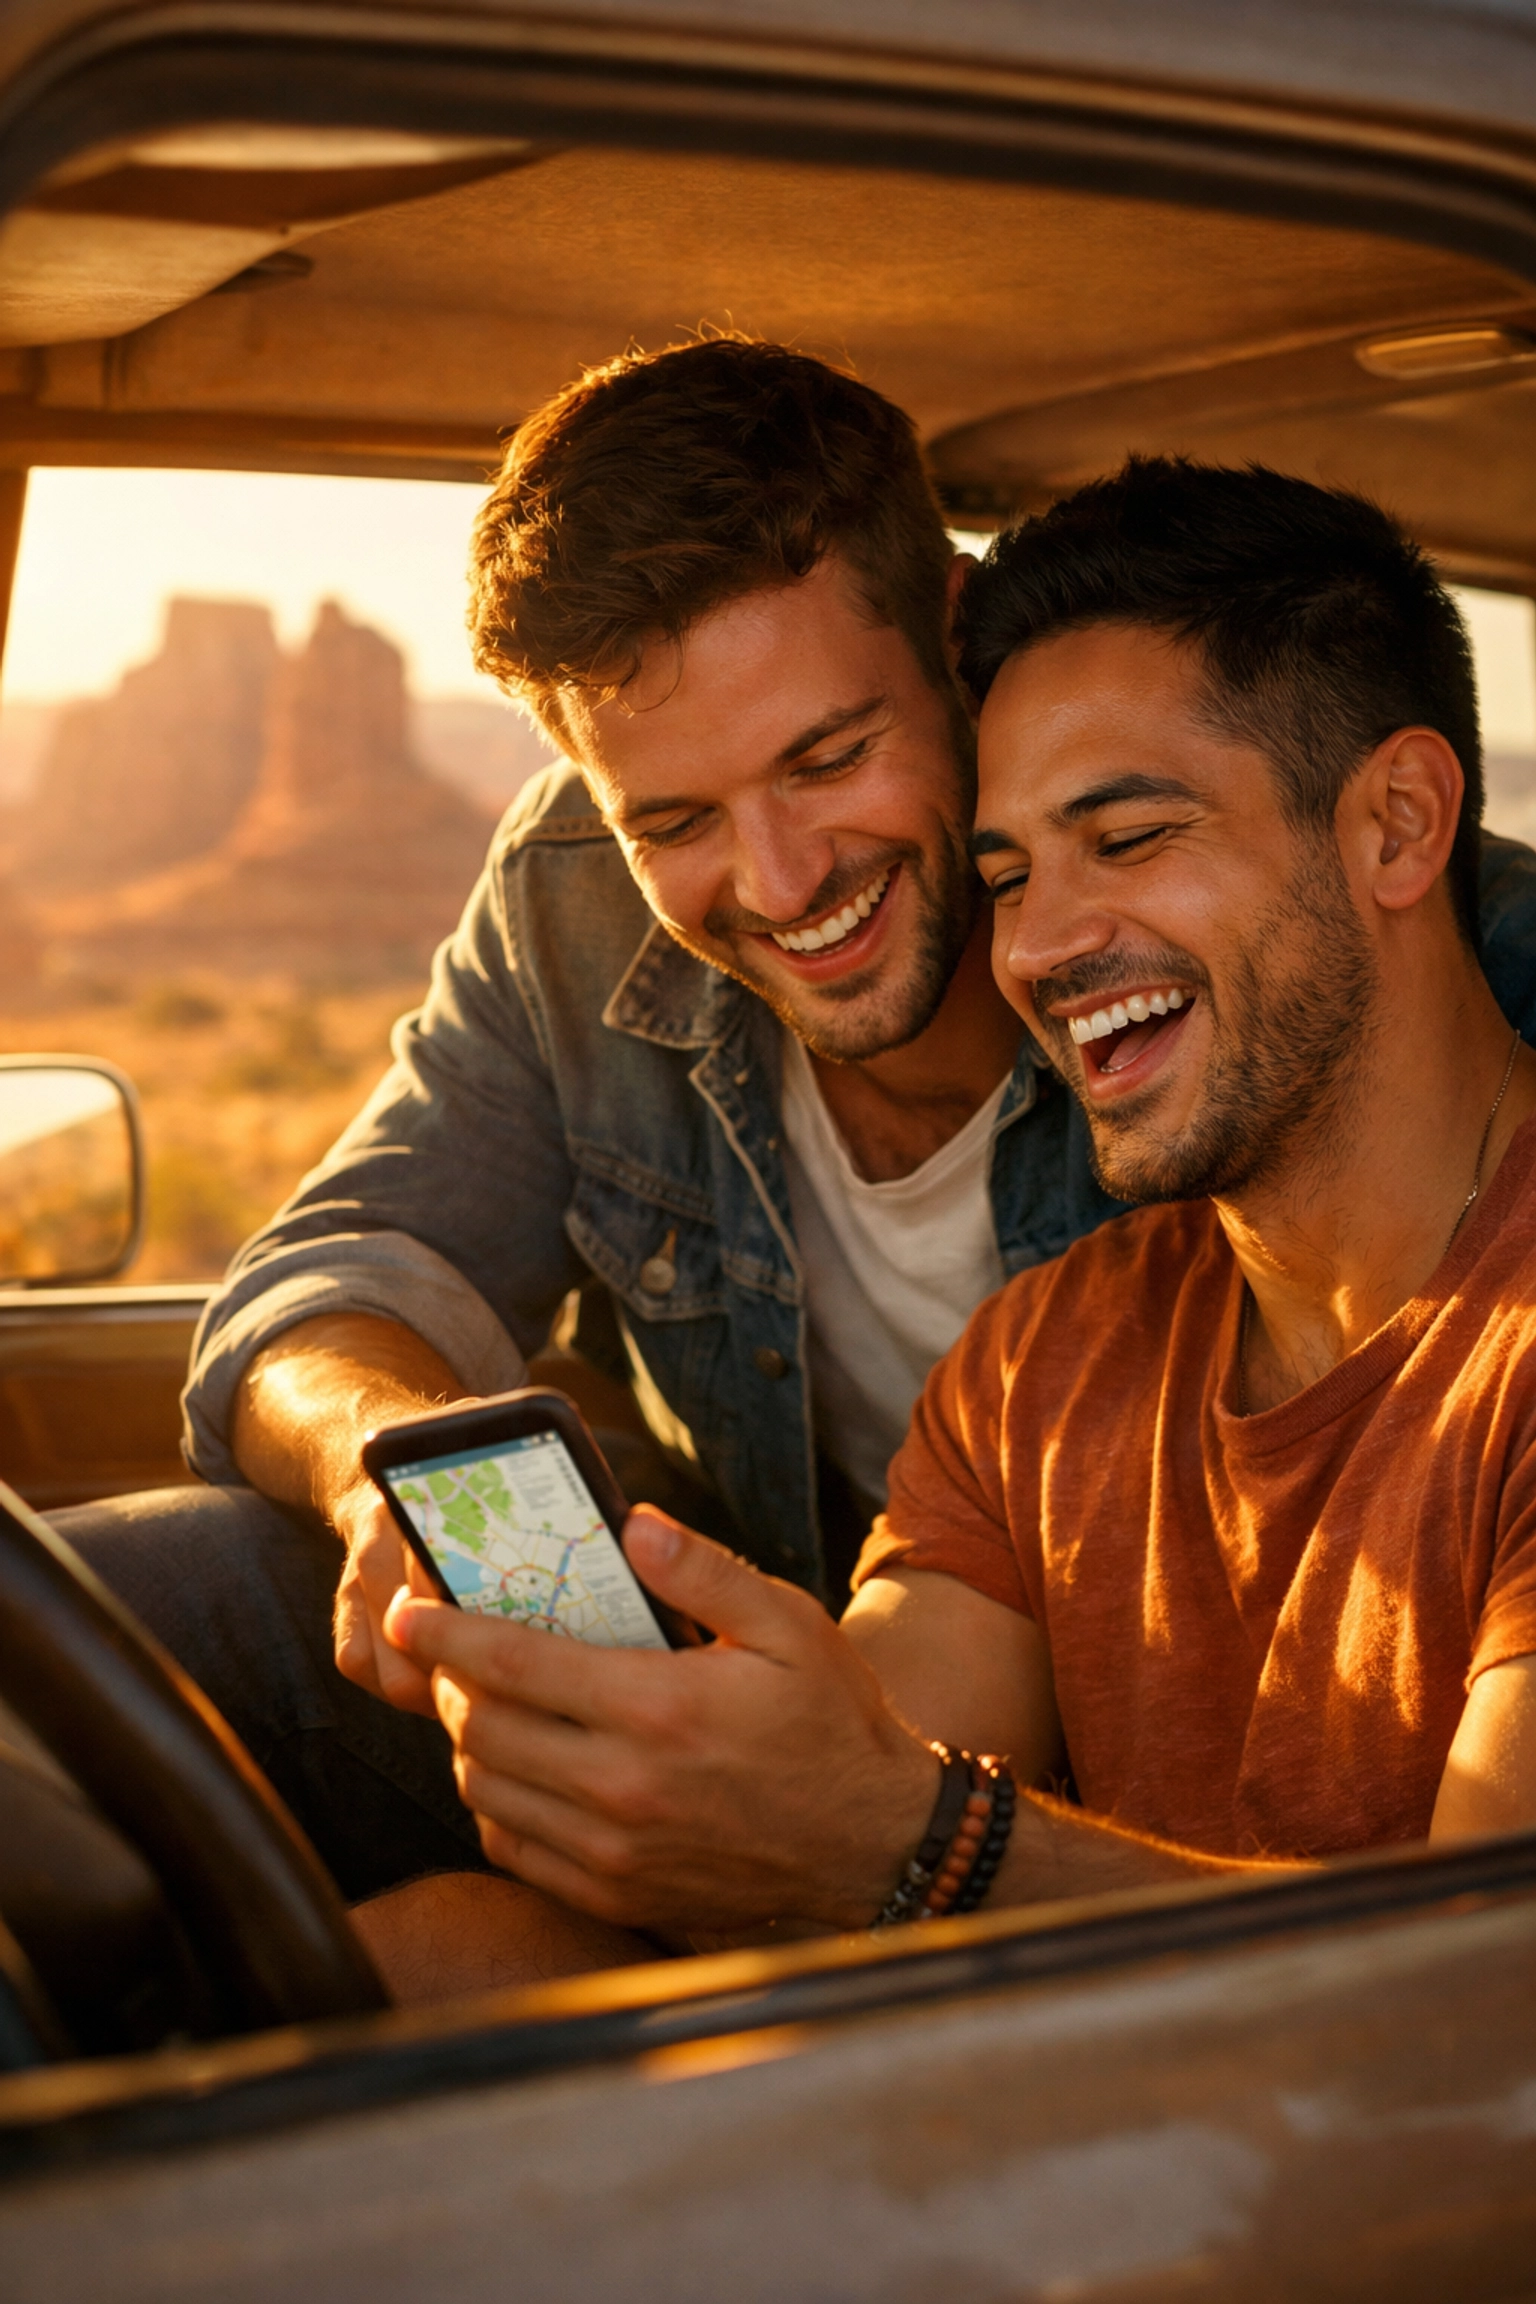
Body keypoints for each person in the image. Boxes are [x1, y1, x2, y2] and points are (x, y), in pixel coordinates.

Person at [367, 457, 1536, 1992]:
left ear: (1396, 824)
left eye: (1126, 841)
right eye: (1006, 873)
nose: (1040, 945)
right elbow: (822, 1814)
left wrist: (926, 1844)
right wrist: (669, 1774)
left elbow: (1488, 2016)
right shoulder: (1052, 1350)